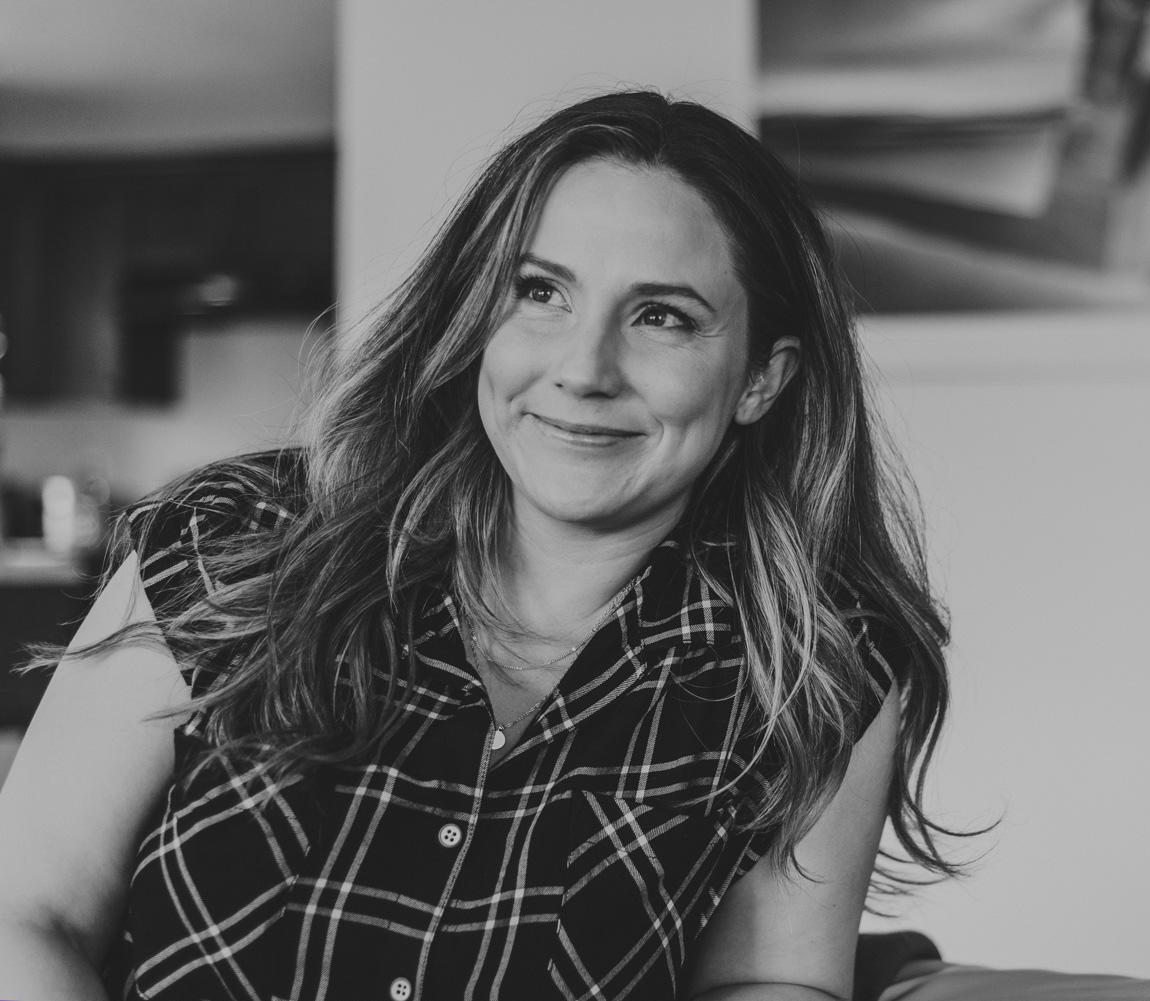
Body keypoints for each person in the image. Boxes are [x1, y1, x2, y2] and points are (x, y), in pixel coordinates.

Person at [0, 90, 958, 1000]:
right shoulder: (229, 538)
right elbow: (25, 910)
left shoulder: (815, 665)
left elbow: (771, 979)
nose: (584, 370)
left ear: (759, 378)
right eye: (541, 292)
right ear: (475, 317)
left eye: (661, 315)